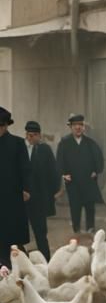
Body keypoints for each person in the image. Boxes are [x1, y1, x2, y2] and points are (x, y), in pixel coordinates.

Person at [55, 113, 104, 234]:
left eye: (80, 125)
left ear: (83, 127)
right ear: (70, 127)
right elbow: (59, 161)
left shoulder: (90, 143)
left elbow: (99, 159)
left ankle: (90, 231)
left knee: (90, 208)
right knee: (75, 209)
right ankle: (76, 231)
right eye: (75, 125)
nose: (78, 128)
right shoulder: (64, 143)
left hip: (88, 182)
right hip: (73, 183)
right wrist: (63, 175)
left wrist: (96, 171)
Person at [23, 121, 61, 261]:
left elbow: (53, 172)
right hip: (21, 198)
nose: (31, 138)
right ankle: (20, 261)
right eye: (28, 135)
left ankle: (46, 262)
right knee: (18, 233)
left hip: (38, 199)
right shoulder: (20, 148)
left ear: (39, 136)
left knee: (40, 233)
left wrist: (53, 193)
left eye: (33, 136)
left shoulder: (44, 150)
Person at [0, 107, 31, 270]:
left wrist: (25, 189)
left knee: (12, 234)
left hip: (12, 195)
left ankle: (17, 265)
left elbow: (25, 168)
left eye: (0, 126)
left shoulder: (17, 143)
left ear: (6, 126)